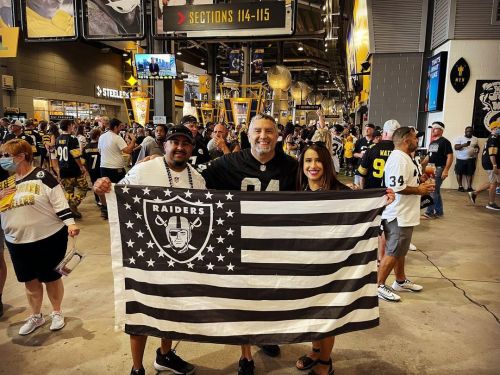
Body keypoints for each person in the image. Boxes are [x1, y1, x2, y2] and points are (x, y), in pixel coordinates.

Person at [93, 125, 201, 375]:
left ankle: (165, 355)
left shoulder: (197, 178)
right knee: (140, 313)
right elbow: (116, 195)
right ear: (165, 145)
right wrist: (101, 190)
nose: (180, 148)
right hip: (145, 256)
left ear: (191, 149)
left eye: (186, 143)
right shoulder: (143, 169)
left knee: (172, 310)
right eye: (175, 142)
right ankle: (137, 368)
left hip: (178, 257)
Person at [199, 114, 298, 375]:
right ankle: (246, 356)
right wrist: (158, 162)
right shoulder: (227, 163)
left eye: (269, 131)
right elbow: (193, 179)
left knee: (271, 298)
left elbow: (320, 188)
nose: (263, 136)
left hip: (275, 247)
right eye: (257, 131)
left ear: (277, 135)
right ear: (248, 134)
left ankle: (265, 336)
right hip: (238, 244)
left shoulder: (291, 166)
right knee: (243, 300)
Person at [294, 142, 395, 375]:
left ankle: (325, 362)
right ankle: (315, 351)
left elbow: (366, 212)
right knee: (311, 312)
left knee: (327, 316)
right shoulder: (298, 191)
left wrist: (380, 199)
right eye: (308, 161)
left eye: (318, 160)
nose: (313, 166)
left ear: (327, 164)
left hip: (335, 268)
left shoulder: (342, 192)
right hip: (308, 266)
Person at [0, 139, 80, 335]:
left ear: (21, 156)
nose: (2, 160)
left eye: (5, 156)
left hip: (48, 238)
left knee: (51, 278)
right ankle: (36, 315)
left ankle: (56, 312)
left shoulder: (43, 176)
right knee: (30, 281)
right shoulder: (5, 184)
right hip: (16, 241)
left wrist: (70, 223)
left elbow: (59, 202)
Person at [377, 127, 435, 302]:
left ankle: (400, 280)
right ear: (406, 141)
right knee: (394, 251)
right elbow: (396, 187)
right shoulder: (398, 159)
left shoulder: (407, 158)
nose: (417, 141)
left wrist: (420, 180)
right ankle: (378, 286)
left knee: (400, 251)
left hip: (405, 212)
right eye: (415, 138)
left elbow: (405, 181)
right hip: (398, 213)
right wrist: (419, 189)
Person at [98, 118, 136, 219]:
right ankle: (118, 210)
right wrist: (133, 141)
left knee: (105, 188)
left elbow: (100, 151)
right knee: (119, 189)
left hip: (103, 166)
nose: (121, 129)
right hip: (116, 168)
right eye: (120, 127)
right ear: (115, 127)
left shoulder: (102, 136)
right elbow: (127, 150)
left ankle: (105, 210)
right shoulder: (117, 137)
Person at [52, 120, 88, 219]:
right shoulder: (73, 139)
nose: (73, 127)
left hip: (63, 169)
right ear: (69, 126)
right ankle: (73, 204)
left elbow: (55, 156)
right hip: (73, 169)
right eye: (72, 126)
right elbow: (76, 155)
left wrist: (57, 170)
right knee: (83, 188)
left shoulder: (58, 139)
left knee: (69, 191)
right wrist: (82, 167)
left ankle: (70, 211)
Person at [422, 122, 453, 219]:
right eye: (432, 128)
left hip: (439, 168)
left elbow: (450, 156)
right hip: (430, 167)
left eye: (435, 128)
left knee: (432, 190)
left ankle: (429, 212)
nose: (432, 130)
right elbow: (429, 156)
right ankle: (439, 212)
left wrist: (446, 170)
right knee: (435, 190)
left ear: (441, 130)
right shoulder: (432, 142)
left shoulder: (445, 142)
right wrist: (421, 165)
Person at [468, 122, 500, 210]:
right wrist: (494, 165)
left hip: (489, 163)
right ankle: (491, 203)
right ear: (494, 128)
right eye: (499, 128)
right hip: (491, 163)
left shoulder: (493, 137)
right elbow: (492, 153)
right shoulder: (494, 138)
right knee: (494, 182)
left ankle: (474, 193)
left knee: (493, 181)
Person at [454, 126, 479, 192]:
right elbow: (455, 147)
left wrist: (477, 149)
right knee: (459, 173)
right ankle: (460, 186)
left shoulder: (475, 139)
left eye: (470, 131)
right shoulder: (460, 138)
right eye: (467, 131)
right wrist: (463, 145)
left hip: (471, 159)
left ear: (472, 132)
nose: (468, 132)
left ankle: (469, 187)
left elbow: (476, 146)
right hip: (460, 159)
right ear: (465, 131)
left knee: (470, 173)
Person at [82, 128, 102, 206]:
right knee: (102, 184)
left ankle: (97, 199)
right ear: (97, 136)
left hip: (91, 169)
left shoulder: (86, 147)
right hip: (100, 168)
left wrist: (85, 169)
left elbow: (83, 159)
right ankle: (103, 199)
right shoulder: (100, 146)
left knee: (94, 184)